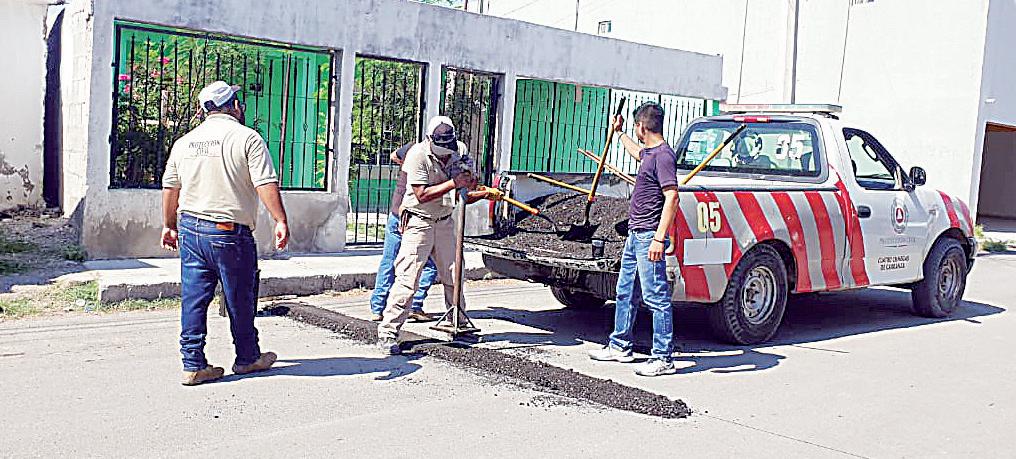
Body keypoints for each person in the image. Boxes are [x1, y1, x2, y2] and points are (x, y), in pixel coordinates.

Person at [161, 81, 288, 386]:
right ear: (234, 106)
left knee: (194, 299)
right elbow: (264, 182)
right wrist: (280, 219)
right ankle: (247, 357)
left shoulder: (185, 142)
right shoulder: (247, 138)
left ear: (203, 110)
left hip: (190, 229)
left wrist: (169, 225)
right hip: (228, 233)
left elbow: (170, 187)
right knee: (240, 297)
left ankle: (193, 364)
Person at [377, 116, 495, 355]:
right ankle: (388, 331)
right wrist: (454, 182)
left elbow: (465, 190)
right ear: (430, 140)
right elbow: (421, 195)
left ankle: (458, 322)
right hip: (418, 221)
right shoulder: (417, 155)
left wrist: (474, 186)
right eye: (441, 149)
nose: (445, 155)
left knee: (454, 274)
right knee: (408, 278)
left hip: (444, 222)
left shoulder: (459, 151)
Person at [588, 102, 680, 377]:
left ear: (641, 126)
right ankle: (620, 346)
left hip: (649, 236)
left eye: (634, 127)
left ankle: (663, 358)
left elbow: (672, 197)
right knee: (625, 291)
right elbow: (636, 151)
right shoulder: (650, 153)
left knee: (656, 297)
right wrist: (619, 133)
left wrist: (659, 239)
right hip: (635, 234)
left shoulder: (663, 156)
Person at [368, 142, 438, 323]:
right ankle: (415, 305)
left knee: (389, 261)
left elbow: (394, 155)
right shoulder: (431, 159)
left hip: (396, 213)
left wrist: (405, 165)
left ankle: (378, 307)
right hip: (415, 217)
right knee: (429, 264)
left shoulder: (412, 149)